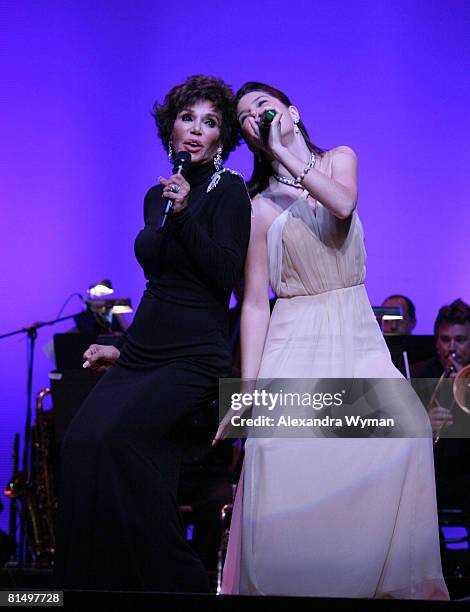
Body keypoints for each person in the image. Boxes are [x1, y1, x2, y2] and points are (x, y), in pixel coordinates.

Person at [218, 82, 449, 599]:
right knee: (288, 458)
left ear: (292, 111)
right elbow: (256, 302)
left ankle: (378, 584)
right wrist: (247, 391)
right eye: (246, 116)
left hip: (352, 325)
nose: (256, 115)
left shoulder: (340, 159)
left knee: (406, 431)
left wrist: (287, 157)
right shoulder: (257, 209)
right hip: (294, 333)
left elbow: (342, 205)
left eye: (263, 105)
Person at [55, 75, 251, 592]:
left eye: (209, 122)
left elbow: (224, 275)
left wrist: (186, 216)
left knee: (118, 444)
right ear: (171, 130)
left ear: (220, 139)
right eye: (188, 118)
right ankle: (86, 585)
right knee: (80, 444)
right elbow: (160, 288)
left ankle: (180, 585)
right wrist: (119, 347)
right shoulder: (154, 197)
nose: (196, 130)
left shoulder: (228, 191)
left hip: (194, 357)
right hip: (144, 351)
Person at [412, 299, 470, 509]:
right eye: (445, 339)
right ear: (436, 343)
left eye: (460, 339)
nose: (451, 348)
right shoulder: (417, 374)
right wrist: (423, 424)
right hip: (430, 473)